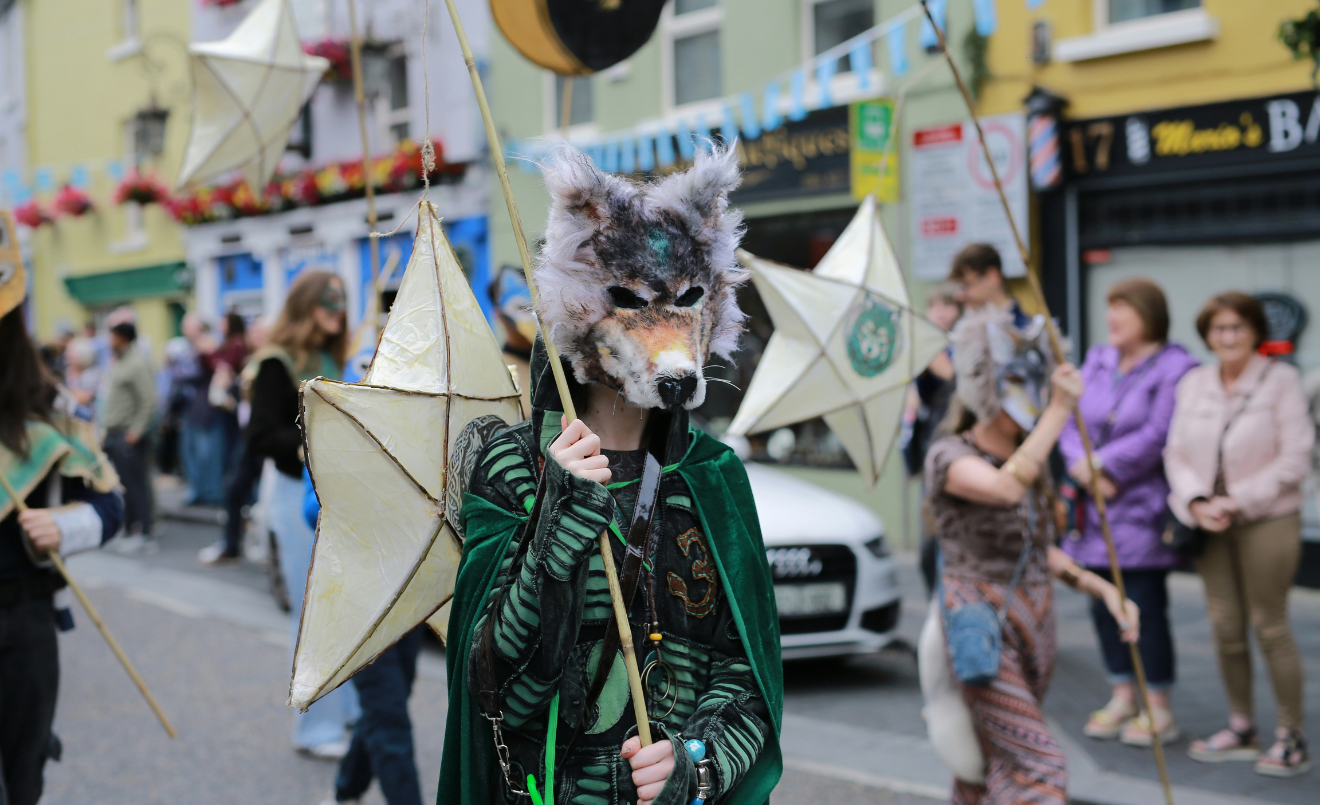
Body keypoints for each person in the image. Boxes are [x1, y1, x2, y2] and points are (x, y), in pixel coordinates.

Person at [439, 145, 783, 805]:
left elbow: (748, 670)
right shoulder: (513, 466)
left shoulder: (712, 477)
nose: (666, 334)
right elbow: (498, 689)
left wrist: (696, 764)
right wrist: (556, 528)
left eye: (684, 300)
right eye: (629, 299)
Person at [923, 307, 1140, 805]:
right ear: (984, 383)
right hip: (981, 621)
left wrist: (1104, 590)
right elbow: (1002, 487)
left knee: (990, 755)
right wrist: (1062, 411)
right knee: (1037, 762)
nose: (1030, 394)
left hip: (1035, 621)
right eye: (1012, 379)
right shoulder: (949, 456)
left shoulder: (1032, 461)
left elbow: (1041, 551)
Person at [1166, 291, 1312, 777]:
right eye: (1219, 328)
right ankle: (1241, 726)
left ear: (1255, 332)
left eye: (1238, 328)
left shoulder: (1281, 381)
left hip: (1267, 519)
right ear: (1207, 334)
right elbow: (1176, 453)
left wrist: (1237, 499)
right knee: (1225, 628)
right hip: (1208, 522)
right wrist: (1197, 501)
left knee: (1269, 625)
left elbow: (1296, 457)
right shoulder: (1194, 382)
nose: (1228, 337)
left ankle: (1291, 736)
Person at [1058, 279, 1198, 746]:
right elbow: (1068, 417)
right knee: (1101, 604)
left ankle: (1158, 704)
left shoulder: (1176, 367)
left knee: (1144, 606)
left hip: (1139, 506)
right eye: (1110, 309)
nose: (1112, 318)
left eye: (1123, 310)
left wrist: (1101, 464)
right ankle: (1123, 694)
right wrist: (1081, 466)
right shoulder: (1098, 358)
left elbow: (1159, 433)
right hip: (1091, 507)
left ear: (1150, 315)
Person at [0, 291, 123, 805]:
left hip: (24, 614)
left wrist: (62, 525)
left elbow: (110, 506)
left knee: (24, 771)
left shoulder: (52, 409)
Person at [247, 270, 358, 758]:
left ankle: (349, 710)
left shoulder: (339, 356)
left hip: (341, 498)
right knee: (313, 616)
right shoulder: (276, 364)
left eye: (341, 301)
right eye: (326, 303)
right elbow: (261, 436)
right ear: (306, 303)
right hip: (296, 497)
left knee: (349, 610)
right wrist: (314, 447)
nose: (336, 311)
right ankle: (316, 728)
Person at [903, 283, 962, 595]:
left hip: (959, 452)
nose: (939, 313)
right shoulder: (923, 347)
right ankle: (935, 605)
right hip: (931, 453)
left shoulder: (964, 346)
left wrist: (947, 370)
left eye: (947, 306)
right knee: (929, 544)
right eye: (934, 306)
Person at [102, 321, 158, 551]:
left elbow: (149, 400)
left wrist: (137, 430)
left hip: (129, 435)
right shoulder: (120, 362)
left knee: (136, 485)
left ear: (123, 338)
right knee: (124, 485)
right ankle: (129, 528)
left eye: (113, 336)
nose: (109, 341)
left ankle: (143, 531)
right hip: (116, 433)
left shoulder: (136, 364)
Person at [179, 313, 226, 506]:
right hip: (195, 410)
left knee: (207, 454)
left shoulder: (208, 345)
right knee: (194, 453)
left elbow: (213, 369)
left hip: (207, 410)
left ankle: (209, 492)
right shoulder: (190, 348)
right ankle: (200, 490)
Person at [946, 243, 1029, 328]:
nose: (959, 295)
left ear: (993, 277)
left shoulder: (1025, 329)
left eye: (966, 285)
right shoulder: (966, 322)